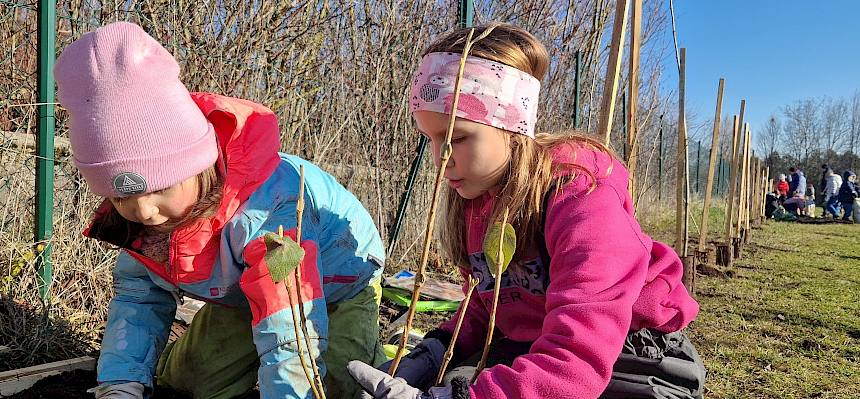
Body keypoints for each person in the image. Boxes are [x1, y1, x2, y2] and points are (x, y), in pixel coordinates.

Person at [347, 23, 705, 399]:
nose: (441, 159)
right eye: (430, 139)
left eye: (457, 137)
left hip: (631, 359)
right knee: (457, 375)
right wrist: (434, 349)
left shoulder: (581, 196)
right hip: (536, 346)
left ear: (512, 126)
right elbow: (489, 304)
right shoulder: (477, 198)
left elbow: (577, 355)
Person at [55, 22, 386, 399]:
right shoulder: (147, 224)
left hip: (337, 284)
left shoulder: (268, 215)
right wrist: (120, 383)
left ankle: (375, 350)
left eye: (160, 188)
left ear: (199, 165)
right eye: (120, 198)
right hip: (244, 296)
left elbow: (289, 321)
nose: (144, 211)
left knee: (338, 384)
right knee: (189, 383)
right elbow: (139, 298)